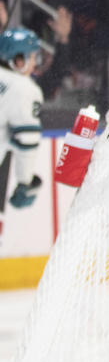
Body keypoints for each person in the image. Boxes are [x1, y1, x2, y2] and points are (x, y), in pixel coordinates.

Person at [0, 28, 45, 231]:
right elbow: (27, 139)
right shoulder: (24, 89)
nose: (34, 63)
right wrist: (24, 182)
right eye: (32, 57)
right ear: (19, 61)